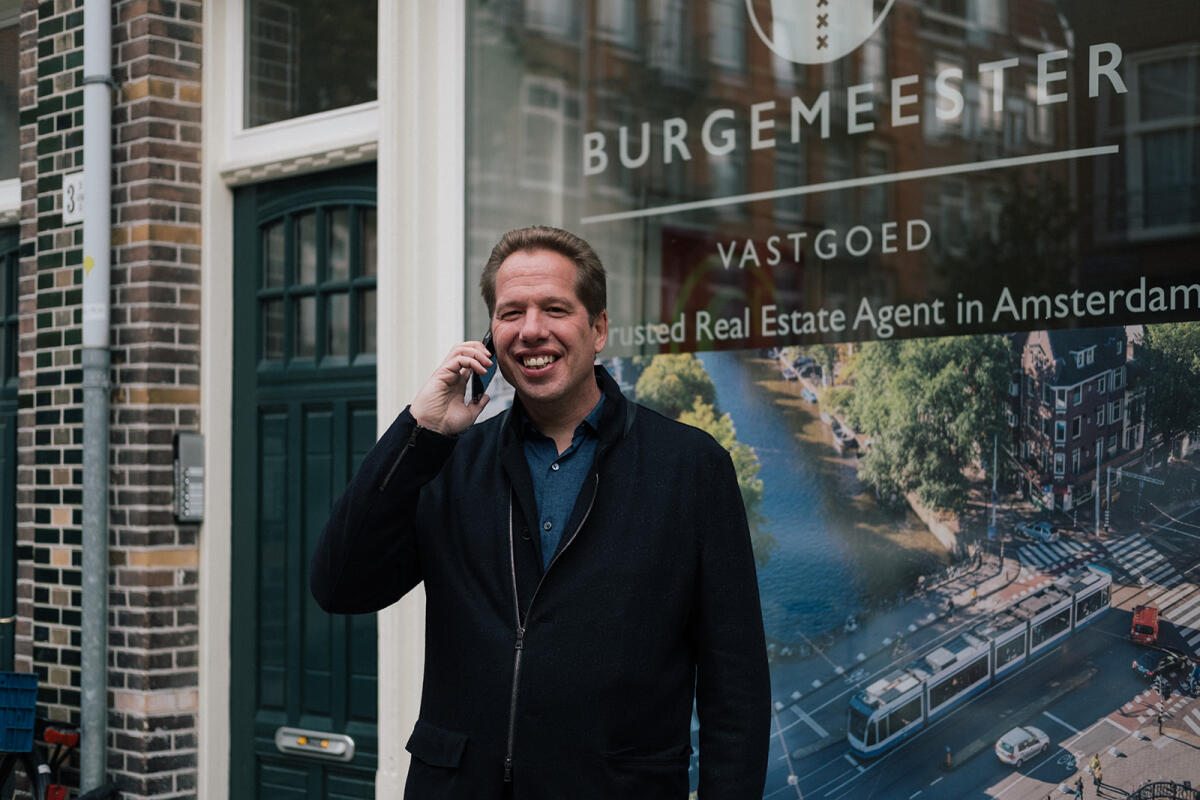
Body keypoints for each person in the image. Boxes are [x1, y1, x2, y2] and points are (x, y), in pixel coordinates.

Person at [310, 226, 771, 799]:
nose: (532, 331)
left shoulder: (691, 468)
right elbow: (339, 584)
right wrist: (419, 431)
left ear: (598, 328)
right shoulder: (448, 462)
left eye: (555, 308)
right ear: (490, 334)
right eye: (511, 313)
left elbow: (738, 692)